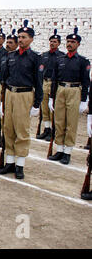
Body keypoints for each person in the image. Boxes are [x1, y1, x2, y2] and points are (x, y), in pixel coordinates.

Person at [0, 20, 43, 179]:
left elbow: (39, 81)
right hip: (9, 94)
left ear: (31, 39)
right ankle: (9, 162)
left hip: (25, 94)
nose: (20, 40)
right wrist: (1, 101)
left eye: (24, 37)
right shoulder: (11, 56)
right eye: (19, 37)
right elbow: (5, 78)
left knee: (21, 129)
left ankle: (20, 164)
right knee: (8, 128)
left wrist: (37, 103)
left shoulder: (36, 58)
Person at [48, 27, 90, 165]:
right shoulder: (60, 60)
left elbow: (85, 82)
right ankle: (59, 149)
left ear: (78, 44)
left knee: (71, 123)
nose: (69, 44)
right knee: (59, 121)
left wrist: (84, 100)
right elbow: (54, 79)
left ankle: (67, 152)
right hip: (60, 90)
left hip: (74, 90)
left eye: (72, 41)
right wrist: (51, 97)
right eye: (68, 41)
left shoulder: (83, 61)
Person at [37, 29, 64, 141]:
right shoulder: (44, 55)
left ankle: (53, 130)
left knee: (53, 108)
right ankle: (46, 129)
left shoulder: (62, 56)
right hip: (45, 82)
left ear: (59, 43)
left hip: (55, 84)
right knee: (44, 108)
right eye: (51, 41)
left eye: (55, 41)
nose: (52, 43)